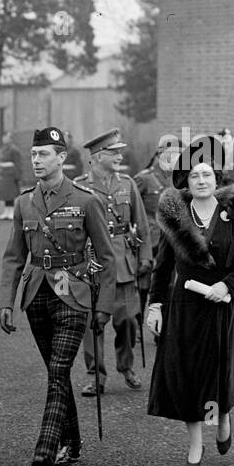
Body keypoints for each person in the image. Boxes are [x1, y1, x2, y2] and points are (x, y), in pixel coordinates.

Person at [0, 125, 116, 466]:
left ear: (62, 157)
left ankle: (46, 447)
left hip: (74, 295)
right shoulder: (23, 202)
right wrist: (6, 301)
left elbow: (107, 258)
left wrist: (104, 307)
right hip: (36, 294)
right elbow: (13, 257)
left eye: (43, 154)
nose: (36, 160)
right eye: (33, 154)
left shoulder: (85, 200)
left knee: (59, 370)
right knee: (55, 371)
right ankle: (72, 441)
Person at [146, 134, 234, 466]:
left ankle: (223, 417)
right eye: (194, 175)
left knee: (217, 369)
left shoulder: (233, 214)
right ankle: (195, 444)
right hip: (185, 304)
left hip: (221, 303)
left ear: (217, 179)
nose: (201, 180)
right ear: (186, 181)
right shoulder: (175, 216)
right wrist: (155, 306)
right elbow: (163, 266)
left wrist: (227, 286)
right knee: (187, 372)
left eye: (207, 174)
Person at [75, 129, 152, 394]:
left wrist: (145, 257)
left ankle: (126, 365)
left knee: (128, 321)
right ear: (97, 157)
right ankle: (96, 375)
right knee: (93, 323)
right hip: (92, 264)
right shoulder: (79, 186)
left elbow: (140, 224)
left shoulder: (127, 184)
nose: (120, 155)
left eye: (120, 151)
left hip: (123, 264)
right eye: (113, 152)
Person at [134, 138, 179, 312]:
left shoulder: (178, 180)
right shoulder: (144, 179)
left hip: (170, 243)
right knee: (142, 289)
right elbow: (131, 210)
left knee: (168, 288)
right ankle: (137, 335)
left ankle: (162, 335)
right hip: (148, 243)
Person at [0, 132, 23, 220]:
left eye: (6, 137)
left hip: (11, 174)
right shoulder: (3, 149)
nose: (4, 139)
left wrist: (17, 176)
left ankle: (11, 211)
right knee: (5, 194)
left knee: (10, 194)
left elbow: (18, 164)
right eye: (3, 137)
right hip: (3, 174)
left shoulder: (14, 149)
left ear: (10, 139)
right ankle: (6, 211)